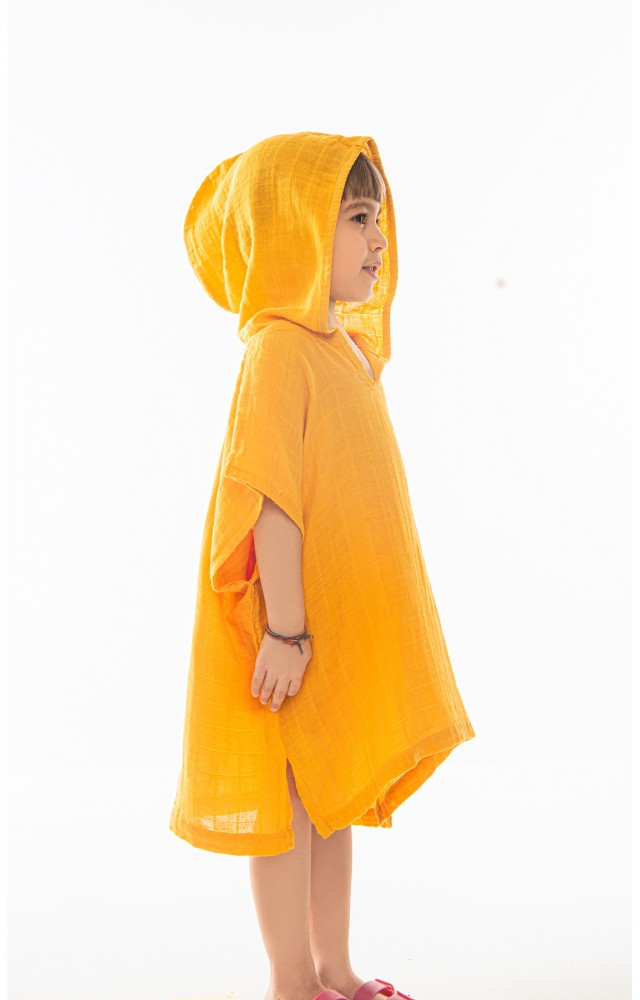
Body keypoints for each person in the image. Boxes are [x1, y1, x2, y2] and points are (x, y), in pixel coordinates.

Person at [169, 131, 476, 1000]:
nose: (378, 240)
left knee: (331, 796)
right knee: (288, 809)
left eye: (376, 218)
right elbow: (272, 502)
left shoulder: (341, 348)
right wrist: (288, 632)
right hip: (288, 633)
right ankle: (292, 981)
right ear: (296, 231)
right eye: (356, 219)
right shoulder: (278, 350)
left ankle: (334, 968)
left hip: (331, 630)